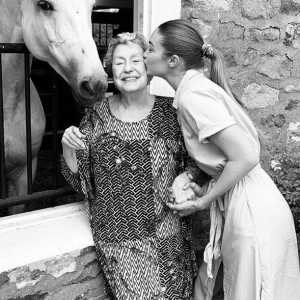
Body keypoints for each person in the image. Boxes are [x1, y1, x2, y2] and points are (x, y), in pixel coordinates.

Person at [143, 19, 300, 300]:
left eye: (151, 48)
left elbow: (246, 156)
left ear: (173, 61)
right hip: (251, 201)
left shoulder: (194, 95)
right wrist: (204, 188)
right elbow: (227, 159)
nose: (145, 54)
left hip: (252, 210)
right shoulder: (193, 91)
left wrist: (203, 202)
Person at [61, 32, 204, 300]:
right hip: (119, 242)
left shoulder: (170, 113)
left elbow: (197, 165)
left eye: (136, 60)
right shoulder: (97, 115)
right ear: (111, 72)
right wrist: (68, 146)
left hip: (168, 238)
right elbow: (78, 178)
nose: (128, 69)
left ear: (148, 69)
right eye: (119, 63)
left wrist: (185, 176)